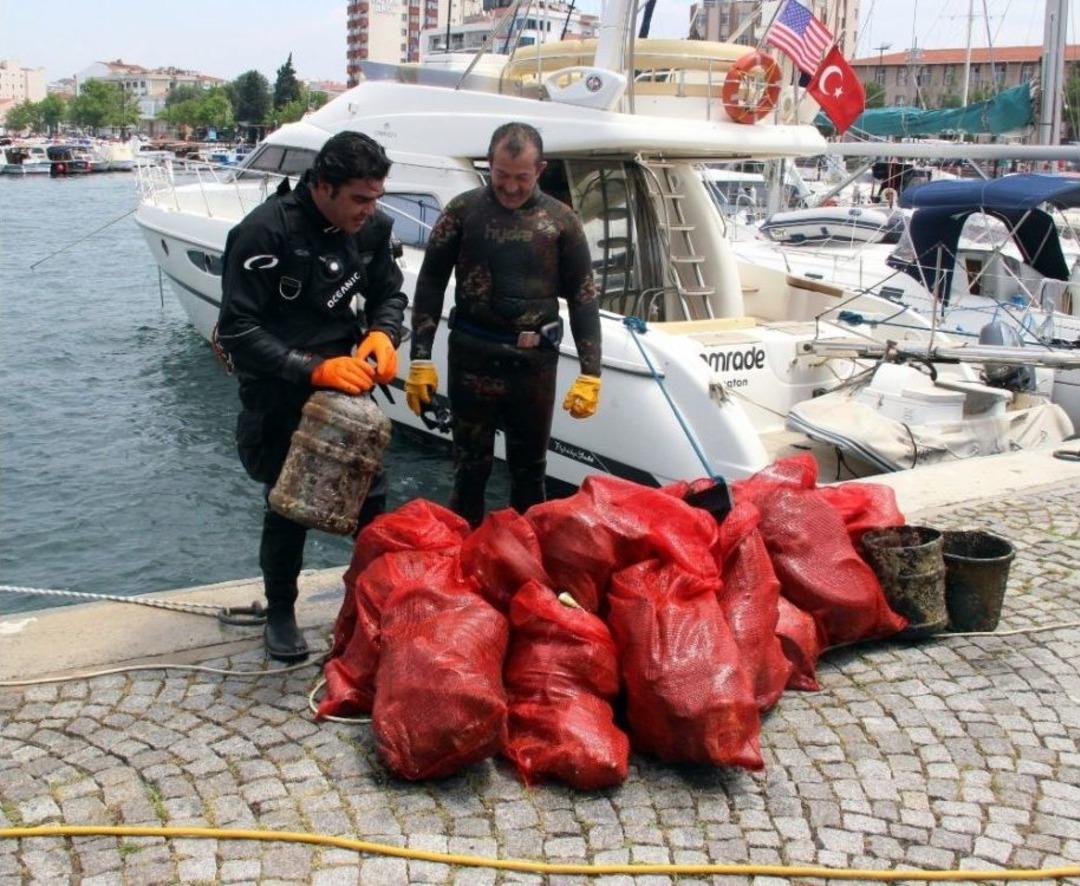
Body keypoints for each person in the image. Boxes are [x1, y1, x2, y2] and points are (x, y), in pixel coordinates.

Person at [217, 131, 406, 662]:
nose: (370, 210)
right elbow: (236, 329)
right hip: (281, 382)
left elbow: (389, 292)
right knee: (287, 504)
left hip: (347, 383)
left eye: (376, 198)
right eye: (360, 199)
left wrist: (384, 333)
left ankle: (370, 607)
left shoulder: (372, 229)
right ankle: (280, 611)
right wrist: (312, 369)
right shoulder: (264, 232)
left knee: (372, 501)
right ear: (323, 186)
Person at [405, 121, 602, 527]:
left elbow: (583, 299)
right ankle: (463, 567)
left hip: (533, 366)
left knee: (530, 474)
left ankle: (526, 570)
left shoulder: (561, 221)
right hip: (472, 360)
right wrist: (420, 359)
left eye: (522, 178)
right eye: (501, 176)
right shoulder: (462, 212)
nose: (510, 187)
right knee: (468, 471)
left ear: (541, 169)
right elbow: (429, 284)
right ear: (489, 164)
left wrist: (591, 374)